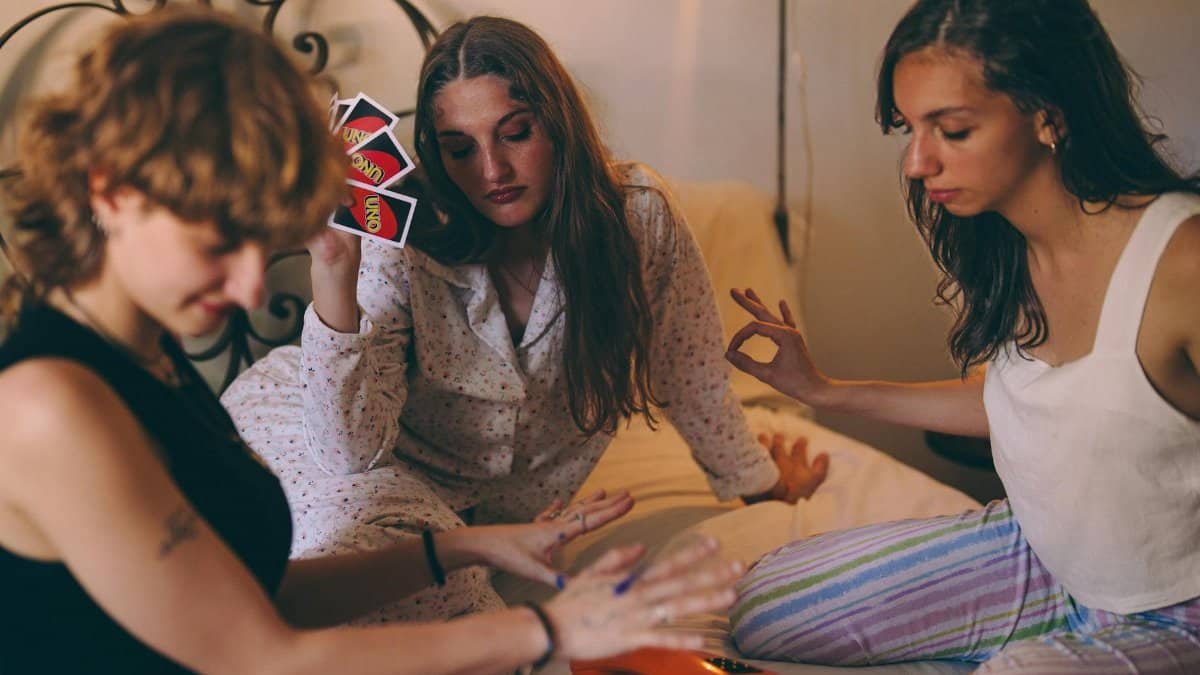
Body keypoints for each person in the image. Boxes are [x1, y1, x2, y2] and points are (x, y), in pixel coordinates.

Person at [0, 8, 744, 673]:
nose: (254, 289)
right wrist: (547, 629)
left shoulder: (150, 362)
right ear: (109, 191)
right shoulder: (47, 405)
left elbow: (264, 596)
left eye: (267, 244)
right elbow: (261, 654)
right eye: (223, 240)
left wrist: (467, 546)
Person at [221, 15, 828, 621]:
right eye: (460, 148)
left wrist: (761, 483)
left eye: (515, 134)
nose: (491, 171)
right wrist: (332, 264)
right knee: (425, 597)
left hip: (474, 515)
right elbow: (349, 452)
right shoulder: (402, 238)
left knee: (449, 604)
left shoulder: (639, 221)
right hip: (318, 435)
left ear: (559, 123)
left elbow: (688, 374)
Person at [725, 0, 1200, 672]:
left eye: (951, 130)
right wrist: (823, 390)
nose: (918, 163)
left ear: (1048, 114)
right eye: (910, 129)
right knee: (763, 605)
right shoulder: (1008, 242)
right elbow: (1027, 402)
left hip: (1178, 608)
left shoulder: (1182, 260)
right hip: (1041, 557)